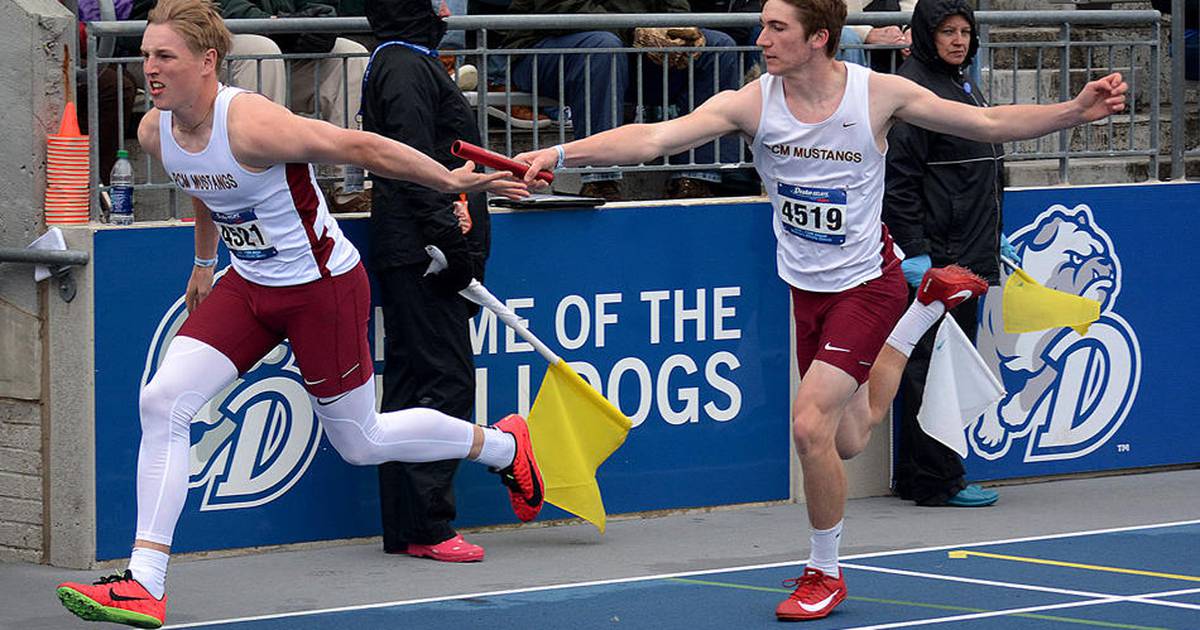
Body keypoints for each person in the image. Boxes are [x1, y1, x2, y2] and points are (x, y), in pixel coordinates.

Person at [514, 0, 1126, 619]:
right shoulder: (754, 103)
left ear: (819, 38)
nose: (761, 38)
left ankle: (824, 571)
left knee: (809, 427)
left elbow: (987, 123)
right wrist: (560, 155)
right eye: (762, 25)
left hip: (868, 285)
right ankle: (921, 315)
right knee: (849, 439)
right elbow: (651, 139)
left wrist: (1074, 110)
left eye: (776, 28)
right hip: (806, 292)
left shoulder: (877, 95)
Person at [53, 1, 541, 627]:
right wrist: (204, 262)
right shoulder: (157, 130)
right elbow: (200, 182)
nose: (149, 67)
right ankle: (144, 582)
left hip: (321, 289)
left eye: (164, 56)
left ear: (207, 62)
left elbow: (359, 145)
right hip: (248, 287)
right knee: (163, 400)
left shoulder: (254, 124)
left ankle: (503, 445)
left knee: (361, 442)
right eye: (146, 54)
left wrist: (449, 183)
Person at [361, 0, 492, 563]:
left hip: (419, 248)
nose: (445, 8)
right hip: (425, 253)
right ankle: (428, 525)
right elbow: (414, 164)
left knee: (414, 384)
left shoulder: (402, 61)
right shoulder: (405, 65)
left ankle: (410, 526)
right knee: (443, 384)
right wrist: (451, 247)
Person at [883, 0, 1007, 509]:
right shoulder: (915, 90)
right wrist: (917, 253)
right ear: (925, 35)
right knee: (934, 368)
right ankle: (938, 480)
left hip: (968, 250)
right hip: (941, 257)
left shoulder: (961, 85)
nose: (958, 40)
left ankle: (921, 475)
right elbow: (899, 183)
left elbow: (982, 171)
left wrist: (994, 235)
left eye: (965, 31)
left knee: (944, 365)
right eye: (948, 31)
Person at [501, 0, 740, 200]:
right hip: (543, 49)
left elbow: (676, 7)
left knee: (718, 45)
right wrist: (636, 31)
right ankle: (600, 180)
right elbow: (561, 7)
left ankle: (697, 179)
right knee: (602, 45)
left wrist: (674, 32)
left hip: (626, 49)